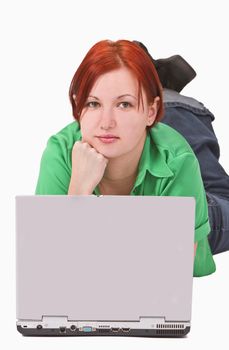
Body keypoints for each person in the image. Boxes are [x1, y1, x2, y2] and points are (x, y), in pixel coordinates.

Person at [35, 39, 226, 278]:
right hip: (139, 129)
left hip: (174, 122)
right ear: (77, 106)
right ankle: (145, 83)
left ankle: (162, 88)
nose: (105, 122)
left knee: (220, 201)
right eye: (92, 103)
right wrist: (77, 193)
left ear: (151, 112)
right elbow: (49, 267)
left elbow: (169, 277)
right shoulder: (59, 153)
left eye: (123, 104)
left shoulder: (179, 159)